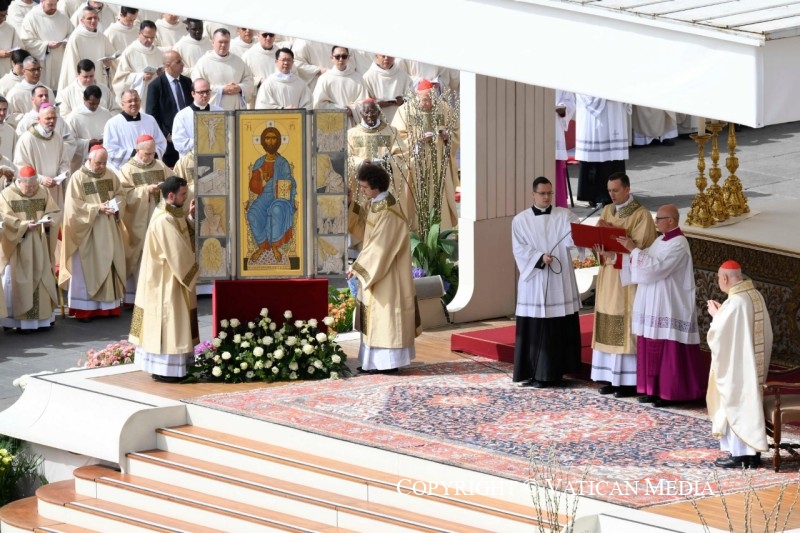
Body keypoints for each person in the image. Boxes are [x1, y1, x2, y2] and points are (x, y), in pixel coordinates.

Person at [617, 204, 708, 406]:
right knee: (649, 343)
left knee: (668, 350)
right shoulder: (660, 240)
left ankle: (670, 393)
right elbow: (643, 260)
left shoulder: (679, 243)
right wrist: (618, 256)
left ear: (671, 221)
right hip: (652, 301)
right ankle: (651, 390)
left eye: (659, 218)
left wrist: (633, 249)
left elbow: (656, 268)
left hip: (668, 303)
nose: (656, 222)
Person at [346, 162, 419, 373]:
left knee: (386, 317)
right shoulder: (376, 204)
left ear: (376, 187)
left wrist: (358, 267)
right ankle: (373, 362)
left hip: (388, 274)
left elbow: (381, 247)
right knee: (376, 318)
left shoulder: (389, 211)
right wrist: (350, 204)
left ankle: (388, 363)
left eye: (364, 187)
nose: (362, 191)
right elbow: (363, 230)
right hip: (379, 270)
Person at [590, 172, 657, 397]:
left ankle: (627, 381)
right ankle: (609, 376)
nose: (612, 195)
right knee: (606, 318)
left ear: (628, 189)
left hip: (626, 281)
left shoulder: (641, 216)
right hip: (608, 276)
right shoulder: (608, 210)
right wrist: (597, 246)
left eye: (616, 191)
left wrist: (614, 253)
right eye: (609, 191)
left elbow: (642, 252)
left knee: (624, 322)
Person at [511, 176, 582, 387]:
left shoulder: (565, 215)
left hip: (560, 281)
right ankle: (534, 372)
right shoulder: (520, 220)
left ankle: (558, 372)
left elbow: (577, 237)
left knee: (559, 326)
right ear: (533, 194)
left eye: (549, 193)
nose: (546, 197)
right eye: (542, 193)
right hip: (535, 280)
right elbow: (519, 249)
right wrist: (539, 258)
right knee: (536, 327)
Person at [129, 175, 199, 383]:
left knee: (170, 322)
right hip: (165, 282)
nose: (186, 198)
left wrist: (192, 218)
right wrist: (196, 269)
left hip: (169, 278)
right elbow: (178, 253)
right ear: (171, 195)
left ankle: (167, 368)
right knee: (169, 321)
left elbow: (184, 230)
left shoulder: (173, 213)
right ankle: (167, 370)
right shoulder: (164, 220)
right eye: (183, 194)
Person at [706, 260, 773, 468]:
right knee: (747, 405)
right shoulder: (754, 295)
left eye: (719, 278)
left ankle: (740, 455)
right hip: (751, 364)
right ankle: (751, 454)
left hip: (739, 366)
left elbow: (720, 335)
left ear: (725, 278)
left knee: (736, 404)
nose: (719, 281)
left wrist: (717, 316)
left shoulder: (736, 302)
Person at [58, 145, 126, 321]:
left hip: (109, 228)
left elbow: (121, 195)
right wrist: (97, 208)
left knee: (109, 263)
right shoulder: (78, 178)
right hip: (88, 231)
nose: (102, 166)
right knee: (87, 268)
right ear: (89, 160)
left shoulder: (110, 175)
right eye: (98, 163)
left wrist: (115, 206)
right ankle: (85, 309)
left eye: (104, 163)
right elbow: (73, 207)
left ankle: (109, 308)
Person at [391, 78, 459, 230]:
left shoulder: (444, 108)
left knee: (439, 198)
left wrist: (447, 136)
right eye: (424, 100)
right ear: (416, 97)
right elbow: (397, 138)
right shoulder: (404, 111)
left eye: (430, 99)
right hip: (415, 166)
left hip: (440, 163)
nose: (428, 104)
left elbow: (456, 132)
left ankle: (441, 232)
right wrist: (417, 139)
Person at [0, 165, 59, 332]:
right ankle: (16, 322)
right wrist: (24, 226)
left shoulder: (43, 191)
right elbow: (6, 219)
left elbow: (54, 211)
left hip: (39, 244)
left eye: (34, 185)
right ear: (19, 181)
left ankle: (43, 319)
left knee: (41, 277)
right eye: (28, 186)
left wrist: (48, 221)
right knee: (17, 280)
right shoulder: (6, 195)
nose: (32, 189)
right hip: (18, 247)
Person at [118, 134, 173, 304]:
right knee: (140, 254)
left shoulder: (159, 165)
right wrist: (146, 190)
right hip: (138, 220)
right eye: (147, 154)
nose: (150, 157)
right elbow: (124, 194)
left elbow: (172, 181)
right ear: (137, 150)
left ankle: (156, 293)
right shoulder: (127, 170)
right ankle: (136, 296)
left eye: (153, 153)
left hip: (158, 215)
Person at [13, 103, 71, 261]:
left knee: (52, 232)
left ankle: (51, 267)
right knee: (38, 232)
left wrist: (61, 174)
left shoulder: (58, 137)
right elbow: (20, 167)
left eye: (54, 118)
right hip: (35, 193)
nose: (51, 121)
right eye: (48, 118)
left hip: (54, 191)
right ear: (39, 119)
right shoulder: (27, 139)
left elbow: (64, 162)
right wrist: (40, 179)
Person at [347, 98, 410, 221]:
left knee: (386, 218)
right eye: (366, 113)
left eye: (373, 112)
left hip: (385, 185)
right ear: (360, 114)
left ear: (379, 112)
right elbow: (347, 158)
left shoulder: (392, 131)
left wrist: (387, 162)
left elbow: (403, 156)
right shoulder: (351, 134)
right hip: (361, 187)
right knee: (361, 219)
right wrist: (360, 162)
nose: (370, 116)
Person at [246, 126, 296, 263]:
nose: (270, 141)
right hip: (264, 196)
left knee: (276, 210)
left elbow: (288, 181)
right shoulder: (259, 162)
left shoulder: (283, 163)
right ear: (263, 141)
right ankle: (262, 246)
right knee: (252, 214)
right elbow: (253, 186)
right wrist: (262, 182)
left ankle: (274, 246)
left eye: (274, 138)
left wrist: (288, 184)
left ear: (278, 141)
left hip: (280, 197)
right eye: (267, 138)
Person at [575, 95, 631, 207]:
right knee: (595, 156)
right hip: (595, 116)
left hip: (615, 110)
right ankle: (595, 195)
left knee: (614, 157)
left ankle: (617, 193)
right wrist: (604, 95)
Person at [145, 50, 192, 167]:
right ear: (167, 65)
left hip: (189, 139)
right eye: (178, 62)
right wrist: (166, 135)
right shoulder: (155, 86)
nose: (183, 64)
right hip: (169, 142)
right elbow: (152, 116)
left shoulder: (187, 82)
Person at [103, 88, 167, 170]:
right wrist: (135, 154)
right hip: (126, 170)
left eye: (136, 100)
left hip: (150, 167)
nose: (133, 103)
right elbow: (110, 150)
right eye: (130, 101)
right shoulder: (113, 123)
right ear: (122, 104)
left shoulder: (150, 120)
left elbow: (161, 143)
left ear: (140, 102)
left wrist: (149, 154)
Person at [192, 28, 254, 111]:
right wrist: (221, 90)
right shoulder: (203, 63)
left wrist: (239, 88)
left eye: (226, 42)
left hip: (236, 109)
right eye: (220, 42)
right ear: (213, 42)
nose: (223, 45)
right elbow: (198, 87)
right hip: (213, 110)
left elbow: (249, 81)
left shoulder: (238, 61)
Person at [57, 4, 115, 92]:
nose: (93, 21)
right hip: (82, 84)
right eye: (89, 18)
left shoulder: (101, 37)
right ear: (82, 20)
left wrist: (108, 64)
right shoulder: (76, 38)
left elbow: (112, 58)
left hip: (99, 80)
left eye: (95, 18)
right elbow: (72, 65)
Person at [18, 0, 72, 90]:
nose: (53, 7)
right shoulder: (32, 17)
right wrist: (46, 45)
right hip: (43, 62)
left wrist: (66, 41)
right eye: (50, 4)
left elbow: (71, 33)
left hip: (61, 60)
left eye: (55, 4)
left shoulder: (62, 16)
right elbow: (26, 41)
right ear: (42, 1)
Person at [312, 45, 369, 120]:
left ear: (348, 58)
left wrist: (352, 110)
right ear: (332, 58)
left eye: (344, 56)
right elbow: (318, 103)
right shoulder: (324, 79)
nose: (341, 59)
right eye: (337, 57)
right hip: (331, 121)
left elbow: (364, 102)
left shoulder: (357, 78)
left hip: (351, 121)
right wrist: (339, 109)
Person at [64, 84, 112, 172]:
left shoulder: (106, 113)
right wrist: (88, 143)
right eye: (92, 103)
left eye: (97, 103)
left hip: (103, 159)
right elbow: (68, 141)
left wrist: (104, 140)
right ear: (84, 99)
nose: (95, 106)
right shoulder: (74, 117)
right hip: (82, 162)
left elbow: (112, 134)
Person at [171, 77, 223, 158]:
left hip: (216, 157)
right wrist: (200, 141)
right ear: (193, 94)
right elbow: (179, 142)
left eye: (207, 91)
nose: (205, 95)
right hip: (192, 160)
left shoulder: (220, 112)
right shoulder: (182, 116)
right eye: (201, 92)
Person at [56, 59, 120, 117]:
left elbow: (115, 110)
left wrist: (104, 117)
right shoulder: (66, 93)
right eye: (85, 77)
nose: (89, 79)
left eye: (91, 76)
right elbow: (64, 115)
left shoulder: (104, 90)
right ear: (78, 74)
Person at [362, 53, 410, 124]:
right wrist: (377, 103)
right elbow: (364, 101)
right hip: (378, 120)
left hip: (400, 120)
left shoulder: (402, 74)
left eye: (389, 55)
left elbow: (411, 96)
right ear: (377, 56)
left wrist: (403, 101)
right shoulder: (368, 76)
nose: (386, 58)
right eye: (383, 56)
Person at [554, 90, 576, 208]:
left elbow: (570, 102)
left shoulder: (559, 78)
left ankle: (558, 204)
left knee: (555, 165)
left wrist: (563, 108)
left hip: (554, 126)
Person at [0, 5, 22, 76]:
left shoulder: (10, 29)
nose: (1, 18)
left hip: (5, 68)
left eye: (3, 15)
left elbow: (19, 46)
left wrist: (12, 52)